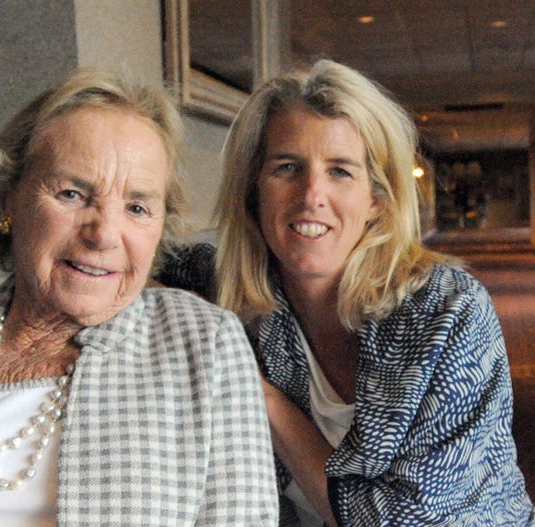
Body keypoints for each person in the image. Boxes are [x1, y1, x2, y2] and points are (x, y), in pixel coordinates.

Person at [0, 69, 279, 526]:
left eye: (137, 207)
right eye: (72, 194)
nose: (104, 233)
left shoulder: (203, 346)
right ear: (9, 201)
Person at [157, 59, 534, 526]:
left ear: (377, 200)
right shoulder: (222, 288)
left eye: (340, 171)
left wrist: (263, 397)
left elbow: (402, 522)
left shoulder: (449, 313)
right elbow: (123, 265)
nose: (311, 194)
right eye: (287, 167)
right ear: (254, 190)